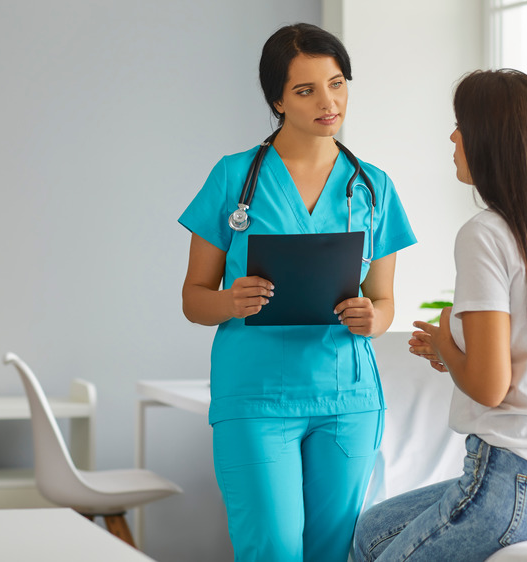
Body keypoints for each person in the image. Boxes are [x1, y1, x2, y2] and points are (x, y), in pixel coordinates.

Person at [351, 69, 527, 562]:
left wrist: (445, 345)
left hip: (522, 482)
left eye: (461, 125)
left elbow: (488, 387)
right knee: (372, 531)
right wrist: (460, 352)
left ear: (493, 142)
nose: (453, 137)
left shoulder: (485, 234)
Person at [178, 23, 416, 562]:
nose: (328, 102)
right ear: (277, 99)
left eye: (337, 83)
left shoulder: (373, 185)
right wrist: (230, 301)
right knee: (273, 548)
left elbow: (385, 302)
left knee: (333, 552)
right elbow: (194, 297)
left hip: (347, 398)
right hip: (256, 398)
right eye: (306, 90)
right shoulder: (233, 177)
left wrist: (370, 318)